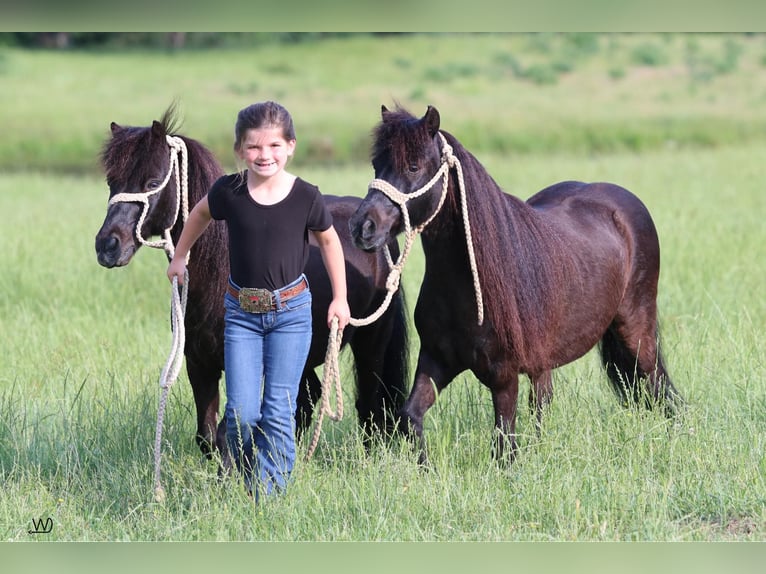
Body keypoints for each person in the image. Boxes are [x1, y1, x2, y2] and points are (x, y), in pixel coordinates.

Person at [167, 101, 350, 499]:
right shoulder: (229, 192)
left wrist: (340, 298)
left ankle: (266, 497)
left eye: (273, 146)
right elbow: (198, 215)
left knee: (278, 411)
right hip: (242, 316)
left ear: (290, 147)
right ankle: (248, 473)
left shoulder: (305, 196)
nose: (263, 155)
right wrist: (180, 256)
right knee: (241, 413)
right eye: (253, 148)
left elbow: (330, 241)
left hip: (292, 313)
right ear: (239, 151)